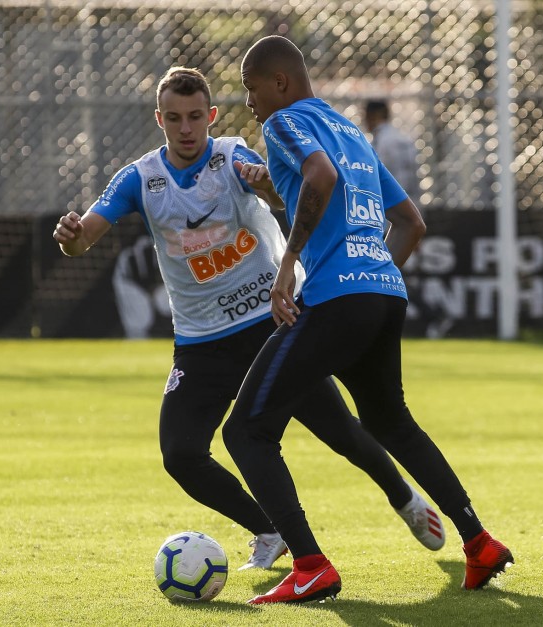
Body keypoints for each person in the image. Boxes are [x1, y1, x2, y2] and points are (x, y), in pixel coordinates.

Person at [53, 66, 446, 571]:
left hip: (270, 326)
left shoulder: (234, 155)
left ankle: (405, 499)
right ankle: (269, 528)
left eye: (196, 116)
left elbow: (291, 196)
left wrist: (266, 187)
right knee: (181, 456)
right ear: (160, 120)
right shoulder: (140, 177)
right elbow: (85, 235)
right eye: (175, 118)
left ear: (212, 116)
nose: (187, 128)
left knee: (341, 432)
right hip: (199, 343)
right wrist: (71, 237)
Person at [225, 36, 513, 604]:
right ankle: (478, 542)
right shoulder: (353, 133)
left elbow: (320, 178)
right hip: (385, 293)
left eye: (251, 88)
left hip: (338, 299)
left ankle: (309, 565)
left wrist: (287, 264)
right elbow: (410, 223)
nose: (250, 101)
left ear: (279, 83)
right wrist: (371, 269)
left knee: (245, 430)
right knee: (390, 422)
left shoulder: (284, 124)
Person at [363, 99, 421, 203]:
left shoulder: (381, 141)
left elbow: (379, 173)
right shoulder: (404, 137)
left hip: (390, 200)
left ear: (371, 116)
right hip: (411, 198)